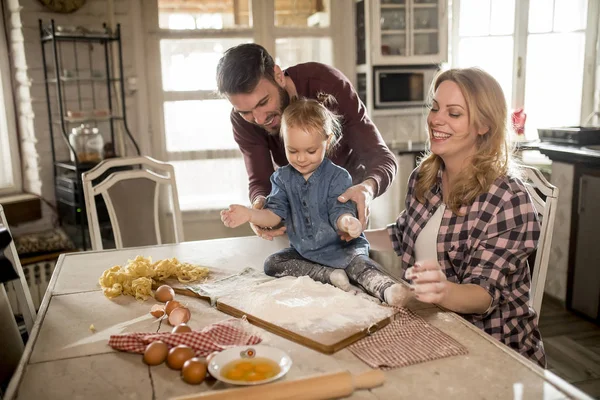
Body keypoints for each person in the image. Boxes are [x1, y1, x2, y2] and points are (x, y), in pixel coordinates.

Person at [365, 67, 546, 367]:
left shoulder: (508, 198)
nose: (437, 119)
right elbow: (401, 234)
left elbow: (483, 295)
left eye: (454, 113)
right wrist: (351, 235)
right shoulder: (425, 177)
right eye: (435, 108)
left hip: (496, 354)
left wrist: (441, 291)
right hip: (432, 331)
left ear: (484, 125)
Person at [221, 96, 408, 306]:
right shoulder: (281, 178)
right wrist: (249, 214)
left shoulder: (338, 177)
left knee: (361, 267)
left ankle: (386, 288)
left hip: (342, 250)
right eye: (292, 151)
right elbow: (274, 215)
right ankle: (328, 275)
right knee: (272, 263)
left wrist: (347, 221)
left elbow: (340, 209)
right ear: (284, 141)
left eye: (311, 151)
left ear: (327, 142)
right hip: (305, 253)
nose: (301, 158)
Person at [216, 43, 397, 240]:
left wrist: (367, 189)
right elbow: (260, 182)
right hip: (296, 221)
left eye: (263, 103)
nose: (259, 119)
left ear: (278, 75)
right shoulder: (243, 122)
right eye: (245, 112)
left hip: (345, 207)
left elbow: (382, 158)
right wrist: (258, 207)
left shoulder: (327, 84)